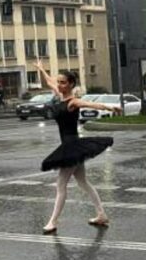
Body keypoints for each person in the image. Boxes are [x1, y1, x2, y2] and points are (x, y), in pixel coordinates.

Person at [35, 61, 121, 234]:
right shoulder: (60, 96)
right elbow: (50, 82)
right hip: (70, 146)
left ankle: (53, 221)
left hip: (72, 146)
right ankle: (101, 214)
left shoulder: (72, 102)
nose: (59, 85)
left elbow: (90, 104)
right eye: (59, 82)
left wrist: (109, 106)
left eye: (63, 82)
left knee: (61, 185)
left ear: (71, 84)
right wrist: (41, 69)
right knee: (83, 182)